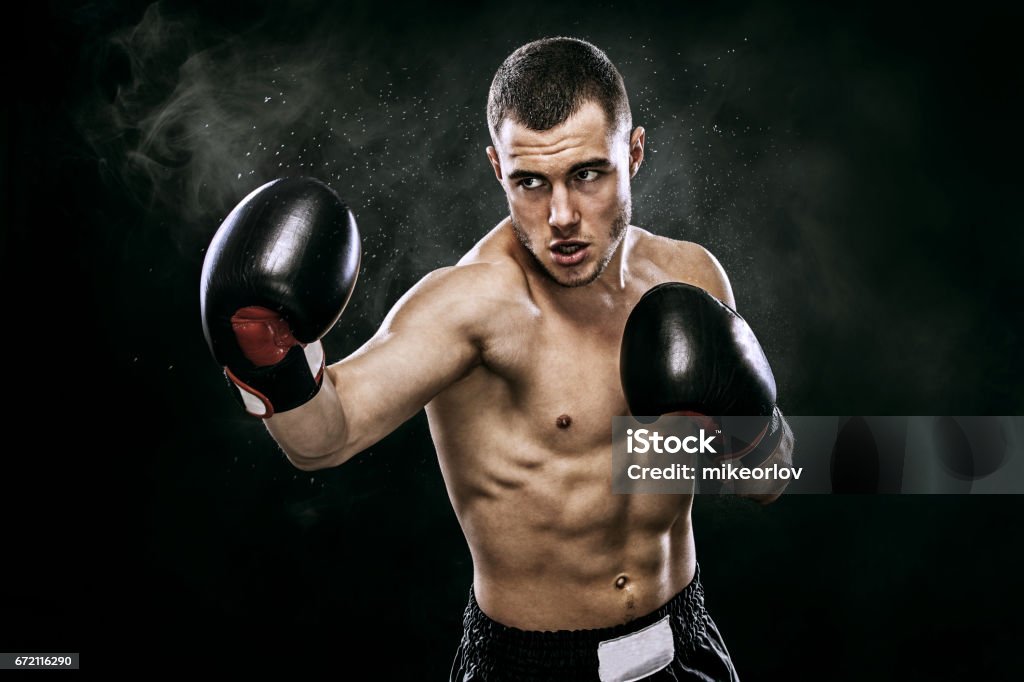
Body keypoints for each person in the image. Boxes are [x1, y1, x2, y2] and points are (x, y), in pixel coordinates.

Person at [201, 36, 794, 682]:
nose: (560, 215)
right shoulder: (470, 306)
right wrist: (268, 363)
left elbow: (768, 479)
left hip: (683, 645)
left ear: (634, 152)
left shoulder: (693, 276)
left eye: (587, 174)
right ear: (496, 169)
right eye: (530, 183)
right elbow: (326, 436)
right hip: (529, 667)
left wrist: (751, 424)